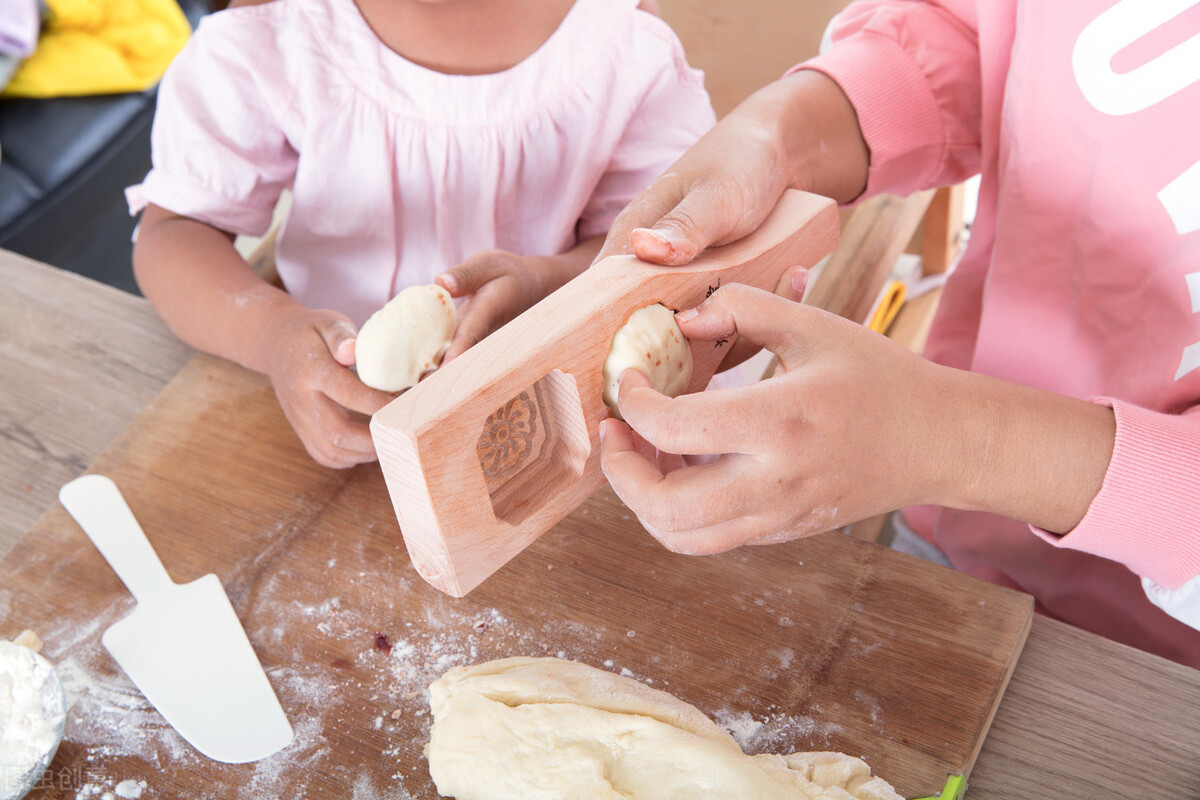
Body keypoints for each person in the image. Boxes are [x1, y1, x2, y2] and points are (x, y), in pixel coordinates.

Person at [596, 0, 1200, 668]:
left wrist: (946, 439)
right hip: (950, 535)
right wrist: (785, 133)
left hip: (1164, 666)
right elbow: (976, 31)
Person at [128, 0, 714, 469]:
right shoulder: (272, 30)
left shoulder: (620, 37)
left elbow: (657, 240)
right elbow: (175, 232)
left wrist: (544, 284)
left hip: (544, 424)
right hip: (329, 415)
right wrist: (272, 335)